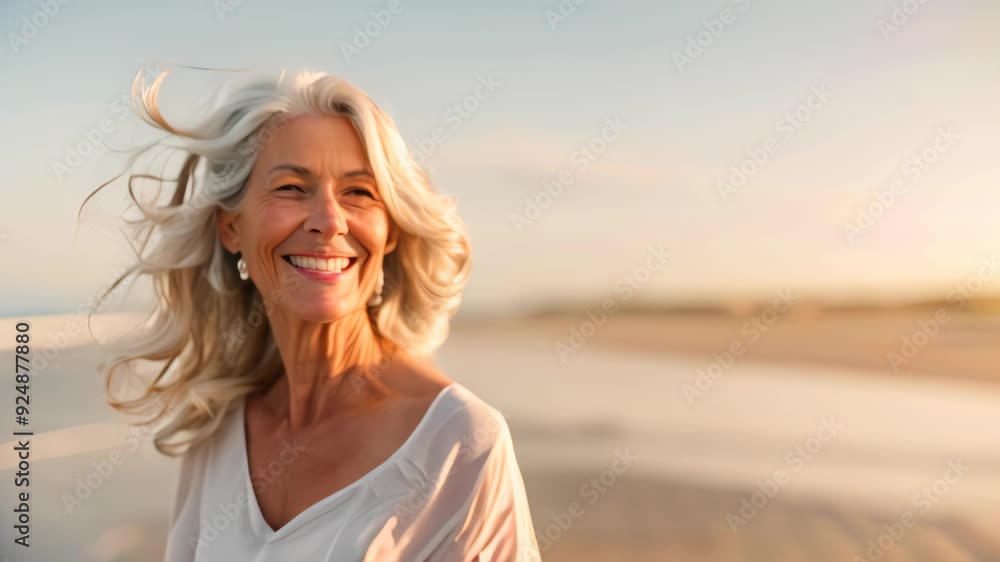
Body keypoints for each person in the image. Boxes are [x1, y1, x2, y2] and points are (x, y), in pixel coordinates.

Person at [84, 66, 541, 561]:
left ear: (389, 231)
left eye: (359, 192)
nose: (328, 221)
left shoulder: (460, 444)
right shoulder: (217, 431)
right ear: (231, 228)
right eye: (291, 188)